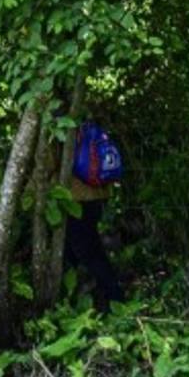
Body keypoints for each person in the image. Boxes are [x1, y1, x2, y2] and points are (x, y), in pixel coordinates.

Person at [65, 122, 125, 312]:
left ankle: (116, 300)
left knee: (89, 252)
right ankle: (85, 298)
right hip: (98, 195)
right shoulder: (82, 124)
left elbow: (45, 168)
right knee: (76, 250)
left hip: (76, 199)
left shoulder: (57, 130)